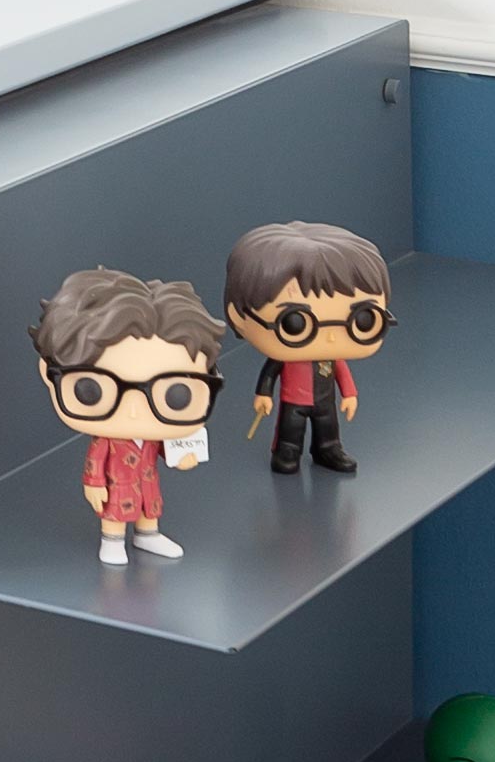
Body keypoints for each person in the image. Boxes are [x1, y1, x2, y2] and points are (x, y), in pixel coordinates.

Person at [33, 268, 223, 567]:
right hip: (117, 484)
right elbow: (95, 461)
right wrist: (94, 483)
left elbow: (163, 447)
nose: (134, 409)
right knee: (114, 514)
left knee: (150, 508)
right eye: (92, 389)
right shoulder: (106, 440)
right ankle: (112, 541)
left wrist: (181, 457)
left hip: (147, 481)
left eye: (175, 394)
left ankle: (147, 535)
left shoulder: (154, 432)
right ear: (49, 374)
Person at [226, 216, 390, 480]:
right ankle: (286, 452)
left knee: (328, 429)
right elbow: (270, 371)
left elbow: (341, 371)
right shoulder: (285, 356)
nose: (331, 338)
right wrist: (264, 394)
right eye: (295, 323)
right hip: (294, 401)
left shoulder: (330, 356)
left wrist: (349, 394)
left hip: (326, 401)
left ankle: (328, 449)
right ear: (239, 316)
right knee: (290, 430)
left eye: (363, 320)